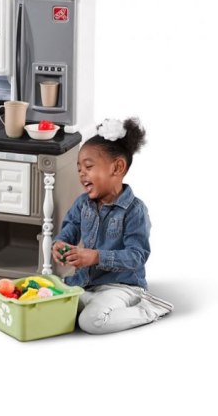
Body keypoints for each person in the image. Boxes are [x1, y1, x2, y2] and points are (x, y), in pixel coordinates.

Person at [52, 117, 173, 334]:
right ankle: (88, 303)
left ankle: (149, 308)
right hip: (84, 283)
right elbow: (70, 229)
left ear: (117, 167)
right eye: (79, 168)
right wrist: (60, 244)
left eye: (88, 167)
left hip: (121, 287)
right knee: (49, 299)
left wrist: (96, 257)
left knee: (91, 322)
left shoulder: (135, 210)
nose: (81, 173)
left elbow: (136, 256)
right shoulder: (82, 204)